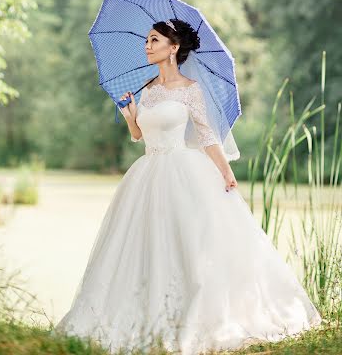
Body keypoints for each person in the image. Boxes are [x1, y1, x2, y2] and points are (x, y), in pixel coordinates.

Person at [56, 19, 322, 354]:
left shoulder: (190, 89)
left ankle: (193, 315)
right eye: (147, 40)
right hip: (146, 175)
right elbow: (140, 135)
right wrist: (130, 114)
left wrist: (226, 172)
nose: (147, 46)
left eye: (154, 40)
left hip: (182, 172)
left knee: (189, 245)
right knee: (143, 245)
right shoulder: (148, 88)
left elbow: (207, 135)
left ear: (174, 47)